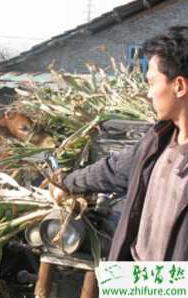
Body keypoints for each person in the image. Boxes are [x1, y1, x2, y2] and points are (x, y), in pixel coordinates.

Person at [53, 26, 188, 261]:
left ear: (179, 86)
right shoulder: (156, 143)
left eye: (151, 82)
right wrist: (65, 182)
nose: (148, 94)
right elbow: (111, 170)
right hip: (138, 279)